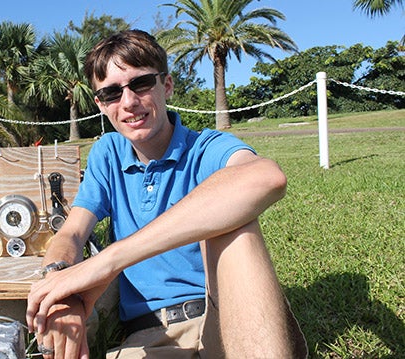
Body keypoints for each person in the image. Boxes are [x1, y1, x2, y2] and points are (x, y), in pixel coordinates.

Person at [26, 29, 307, 359]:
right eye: (113, 93)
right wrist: (63, 292)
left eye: (141, 83)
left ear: (167, 85)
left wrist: (109, 261)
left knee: (235, 226)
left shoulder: (205, 148)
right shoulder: (108, 154)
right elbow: (72, 232)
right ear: (101, 105)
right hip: (150, 338)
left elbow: (266, 178)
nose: (129, 102)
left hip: (230, 321)